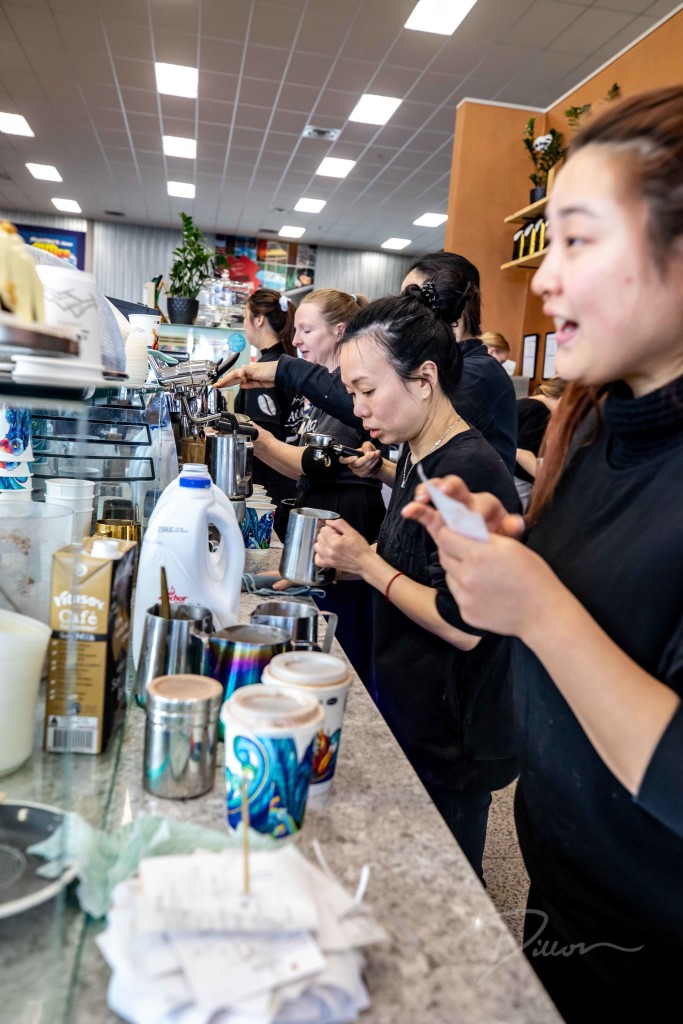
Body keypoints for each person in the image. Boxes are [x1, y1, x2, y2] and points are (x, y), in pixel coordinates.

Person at [404, 87, 683, 1020]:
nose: (543, 283)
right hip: (566, 912)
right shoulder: (597, 425)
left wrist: (541, 607)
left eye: (578, 241)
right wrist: (503, 548)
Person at [313, 273, 520, 879]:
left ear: (424, 379)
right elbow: (414, 559)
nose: (358, 409)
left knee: (443, 887)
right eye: (352, 392)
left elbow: (465, 626)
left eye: (367, 390)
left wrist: (367, 564)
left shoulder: (467, 474)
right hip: (413, 708)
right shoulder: (415, 453)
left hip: (452, 736)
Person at [245, 288, 384, 683]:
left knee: (342, 644)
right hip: (324, 512)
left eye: (306, 331)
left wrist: (258, 439)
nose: (298, 340)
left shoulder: (347, 396)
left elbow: (315, 465)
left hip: (347, 517)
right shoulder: (323, 393)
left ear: (340, 330)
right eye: (296, 330)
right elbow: (303, 471)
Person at [402, 254, 517, 472]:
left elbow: (401, 412)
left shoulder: (476, 373)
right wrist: (379, 467)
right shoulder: (449, 366)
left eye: (414, 299)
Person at [232, 288, 302, 507]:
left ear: (259, 320)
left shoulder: (263, 371)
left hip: (268, 491)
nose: (244, 324)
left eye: (245, 316)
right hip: (290, 481)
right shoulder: (289, 363)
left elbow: (259, 439)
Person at [514, 376, 566, 510]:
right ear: (562, 400)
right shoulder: (541, 411)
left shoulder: (523, 403)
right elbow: (521, 452)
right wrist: (547, 481)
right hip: (516, 479)